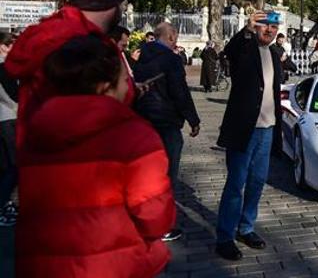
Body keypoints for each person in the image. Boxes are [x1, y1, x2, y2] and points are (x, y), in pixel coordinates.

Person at [16, 34, 175, 277]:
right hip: (115, 264)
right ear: (104, 87)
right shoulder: (134, 137)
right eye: (124, 80)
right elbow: (155, 217)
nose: (128, 86)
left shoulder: (36, 132)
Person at [5, 0, 134, 148]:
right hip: (86, 160)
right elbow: (99, 108)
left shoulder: (43, 34)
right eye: (121, 5)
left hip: (38, 162)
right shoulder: (86, 44)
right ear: (110, 4)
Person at [215, 10, 283, 260]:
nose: (270, 30)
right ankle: (224, 236)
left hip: (268, 130)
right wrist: (245, 30)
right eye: (265, 26)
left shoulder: (275, 55)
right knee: (236, 184)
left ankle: (246, 228)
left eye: (274, 27)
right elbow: (230, 53)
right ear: (256, 28)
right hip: (245, 130)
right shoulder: (245, 49)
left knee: (257, 183)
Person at [133, 22, 200, 242]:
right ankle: (163, 225)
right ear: (170, 36)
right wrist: (193, 119)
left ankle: (144, 220)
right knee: (167, 176)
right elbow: (180, 92)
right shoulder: (171, 59)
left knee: (147, 175)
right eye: (175, 36)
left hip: (144, 122)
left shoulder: (141, 57)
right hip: (167, 122)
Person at [0, 33, 18, 227]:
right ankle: (6, 202)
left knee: (9, 165)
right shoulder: (3, 66)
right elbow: (6, 94)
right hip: (9, 117)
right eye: (9, 45)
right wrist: (18, 106)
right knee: (15, 165)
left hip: (7, 116)